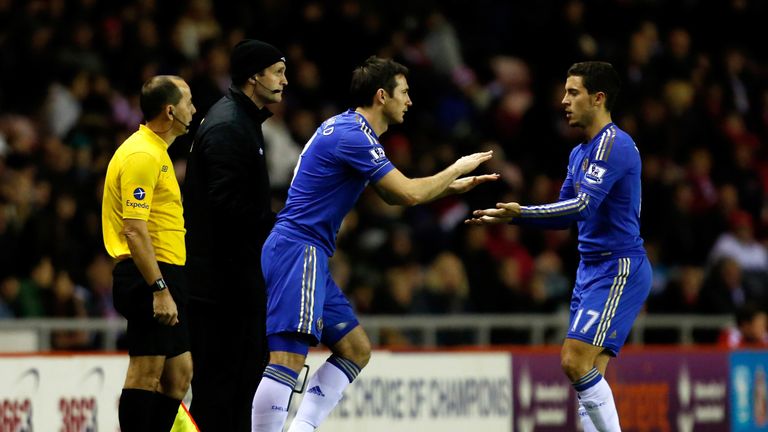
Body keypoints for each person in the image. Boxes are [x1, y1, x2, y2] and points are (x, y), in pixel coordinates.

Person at [250, 56, 499, 432]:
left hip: (306, 251)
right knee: (286, 358)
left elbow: (395, 197)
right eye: (404, 93)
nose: (410, 101)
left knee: (356, 349)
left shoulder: (344, 127)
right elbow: (408, 194)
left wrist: (449, 186)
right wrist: (457, 168)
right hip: (297, 249)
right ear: (382, 96)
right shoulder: (354, 135)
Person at [466, 61, 651, 432]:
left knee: (573, 360)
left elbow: (583, 205)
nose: (563, 101)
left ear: (598, 98)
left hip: (618, 268)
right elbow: (565, 217)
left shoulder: (615, 145)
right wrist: (515, 217)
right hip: (590, 270)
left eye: (573, 93)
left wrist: (522, 212)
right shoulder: (579, 154)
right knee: (587, 375)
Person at [182, 39, 287, 432]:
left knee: (234, 390)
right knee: (223, 392)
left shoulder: (239, 120)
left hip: (231, 285)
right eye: (277, 72)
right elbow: (226, 208)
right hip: (223, 291)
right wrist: (278, 225)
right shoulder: (229, 126)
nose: (284, 81)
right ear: (253, 76)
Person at [102, 75, 196, 432]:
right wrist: (159, 288)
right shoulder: (142, 154)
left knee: (179, 373)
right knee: (146, 370)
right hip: (148, 275)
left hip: (168, 272)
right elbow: (134, 229)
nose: (194, 109)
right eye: (188, 102)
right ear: (170, 110)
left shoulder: (157, 152)